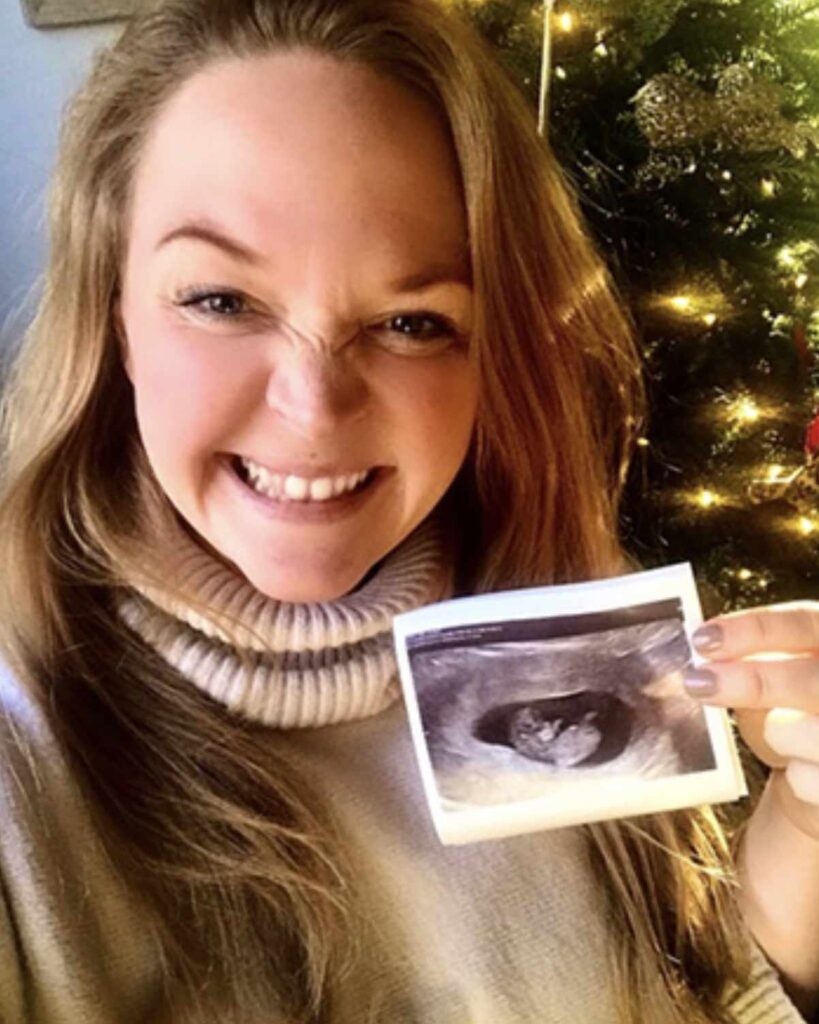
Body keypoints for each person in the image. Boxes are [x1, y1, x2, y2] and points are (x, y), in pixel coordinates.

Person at [0, 0, 817, 1022]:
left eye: (409, 321)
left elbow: (700, 985)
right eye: (222, 300)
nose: (312, 407)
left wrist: (797, 859)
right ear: (112, 314)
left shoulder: (560, 623)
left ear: (491, 351)